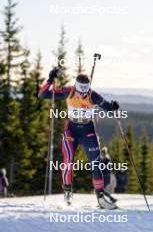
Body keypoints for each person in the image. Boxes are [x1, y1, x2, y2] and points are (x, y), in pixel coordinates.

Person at [38, 69, 120, 209]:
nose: (82, 94)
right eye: (80, 91)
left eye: (84, 91)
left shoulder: (92, 95)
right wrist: (50, 80)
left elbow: (107, 107)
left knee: (96, 163)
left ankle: (100, 198)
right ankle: (68, 192)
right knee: (68, 160)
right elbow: (43, 94)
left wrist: (113, 108)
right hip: (71, 130)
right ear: (76, 86)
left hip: (88, 130)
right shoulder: (69, 91)